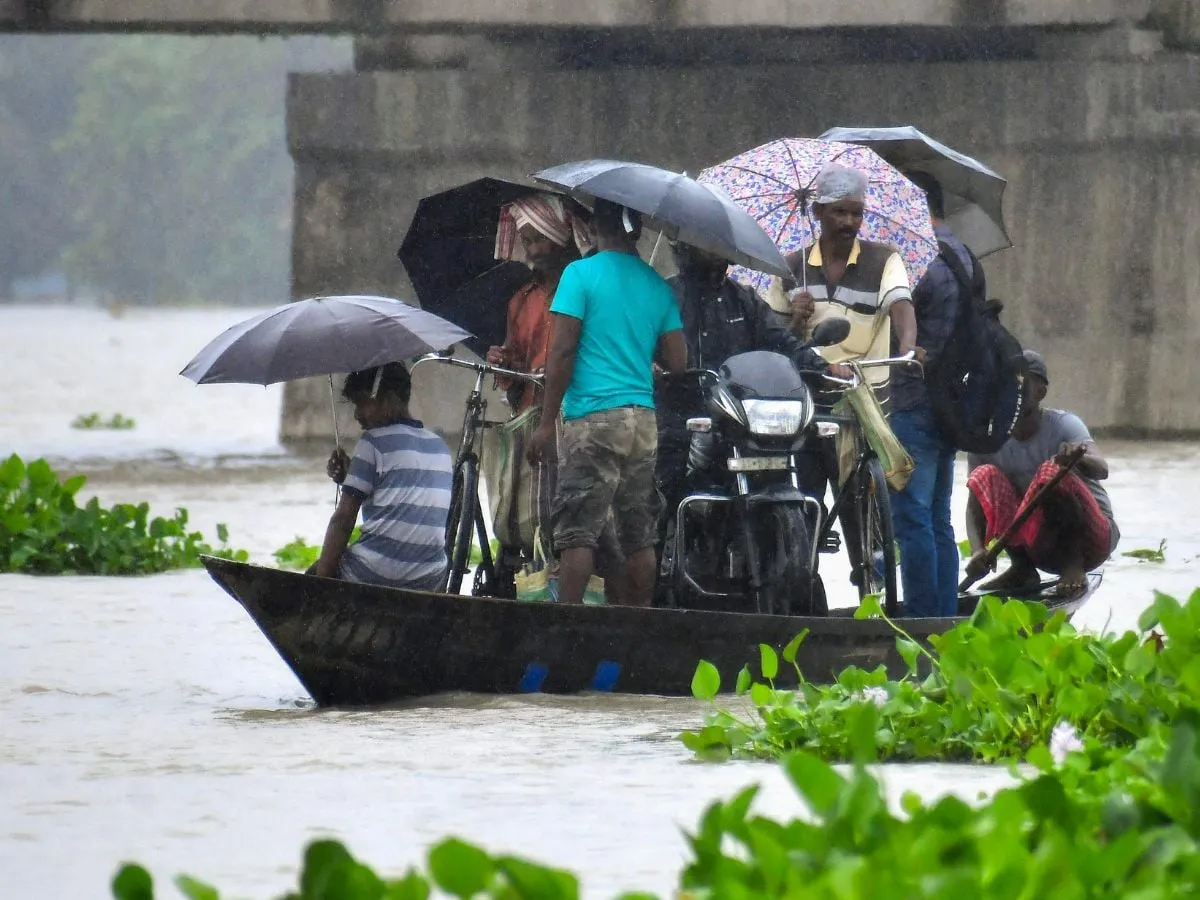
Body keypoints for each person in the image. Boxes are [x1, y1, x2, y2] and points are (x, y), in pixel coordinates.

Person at [528, 199, 687, 607]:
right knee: (638, 533)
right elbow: (678, 360)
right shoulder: (656, 284)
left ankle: (567, 625)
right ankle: (637, 629)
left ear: (594, 227)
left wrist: (546, 424)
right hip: (643, 421)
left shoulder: (579, 274)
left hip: (594, 418)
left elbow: (561, 352)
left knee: (578, 529)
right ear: (636, 230)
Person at [656, 240, 850, 526]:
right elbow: (640, 346)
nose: (716, 248)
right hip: (685, 419)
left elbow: (781, 343)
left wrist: (823, 368)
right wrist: (654, 367)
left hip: (742, 420)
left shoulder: (746, 300)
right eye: (707, 241)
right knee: (663, 501)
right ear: (686, 243)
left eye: (720, 242)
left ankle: (802, 560)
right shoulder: (666, 296)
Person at [964, 350, 1120, 598]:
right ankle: (1022, 568)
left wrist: (1076, 460)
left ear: (1040, 392)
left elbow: (1102, 469)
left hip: (1090, 539)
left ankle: (1072, 566)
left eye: (1021, 384)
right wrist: (977, 551)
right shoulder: (986, 439)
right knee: (984, 475)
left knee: (1050, 471)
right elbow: (975, 501)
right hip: (1039, 543)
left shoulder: (1063, 425)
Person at [888, 170, 971, 617]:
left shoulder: (918, 260)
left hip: (912, 399)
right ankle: (944, 618)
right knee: (938, 517)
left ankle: (920, 622)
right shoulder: (965, 256)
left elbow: (896, 318)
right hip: (951, 403)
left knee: (911, 517)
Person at [781, 163, 918, 406]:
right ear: (817, 211)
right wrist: (797, 319)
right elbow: (774, 340)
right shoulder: (790, 268)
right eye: (839, 212)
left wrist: (908, 345)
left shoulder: (883, 259)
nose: (849, 222)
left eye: (857, 214)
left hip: (868, 397)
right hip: (807, 395)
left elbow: (901, 305)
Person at [317, 363, 453, 590]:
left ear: (388, 399)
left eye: (362, 403)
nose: (357, 414)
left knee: (314, 575)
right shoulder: (439, 446)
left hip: (375, 571)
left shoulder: (373, 441)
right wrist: (350, 477)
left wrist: (319, 583)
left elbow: (342, 521)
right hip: (431, 577)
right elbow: (406, 500)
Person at [487, 193, 591, 413]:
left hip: (580, 411)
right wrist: (503, 362)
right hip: (532, 414)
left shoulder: (588, 291)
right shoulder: (520, 301)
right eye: (527, 241)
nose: (534, 251)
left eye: (540, 238)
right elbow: (517, 365)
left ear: (560, 236)